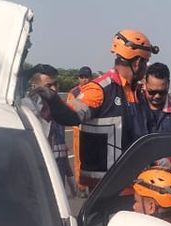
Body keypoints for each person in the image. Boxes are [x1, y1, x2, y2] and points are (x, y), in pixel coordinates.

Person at [33, 30, 158, 189]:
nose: (145, 69)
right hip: (106, 190)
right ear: (137, 63)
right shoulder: (99, 90)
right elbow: (70, 115)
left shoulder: (137, 93)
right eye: (146, 63)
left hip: (133, 185)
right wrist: (51, 97)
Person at [23, 64, 78, 196]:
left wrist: (70, 177)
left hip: (58, 178)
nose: (54, 89)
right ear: (34, 87)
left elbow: (61, 150)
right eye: (48, 86)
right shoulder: (27, 111)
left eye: (56, 84)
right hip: (37, 178)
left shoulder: (59, 111)